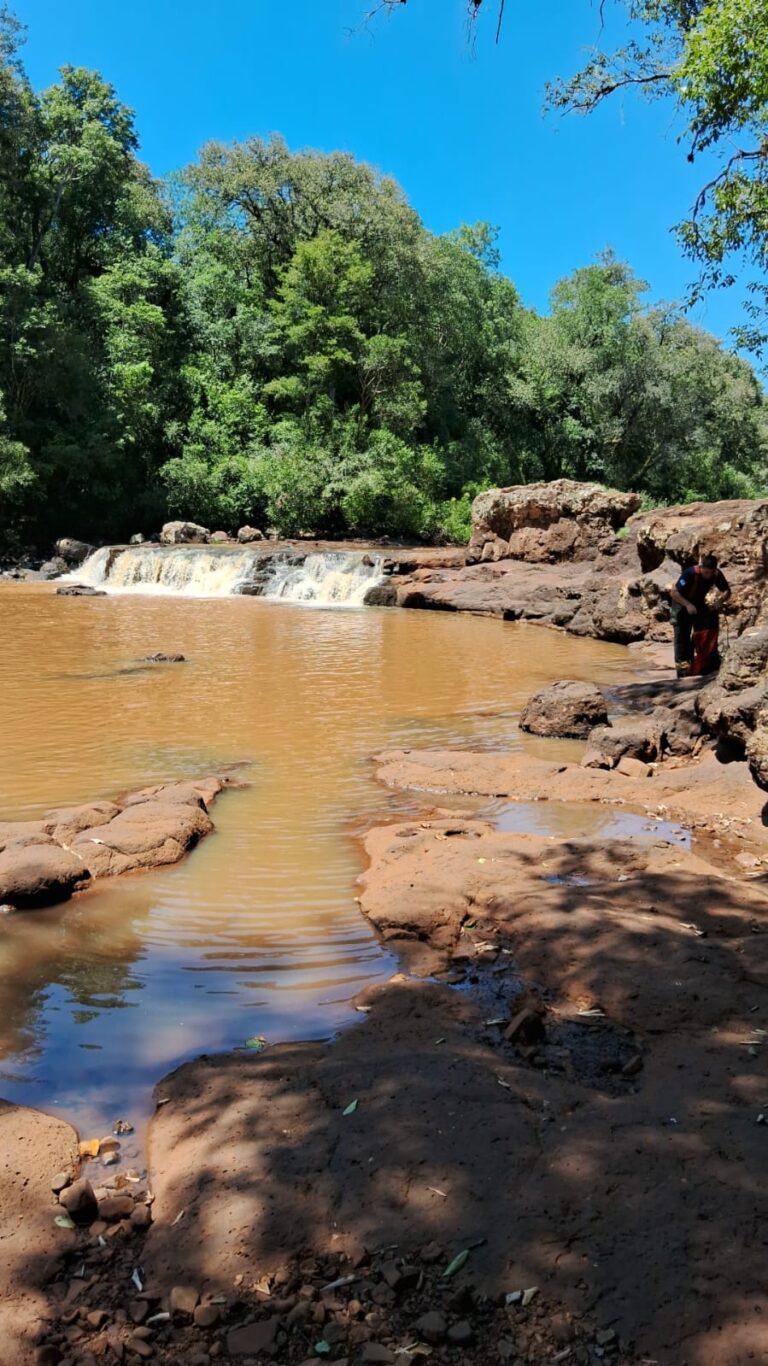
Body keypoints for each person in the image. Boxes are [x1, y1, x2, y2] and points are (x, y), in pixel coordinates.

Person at [669, 553, 731, 679]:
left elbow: (727, 591)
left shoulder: (716, 574)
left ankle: (702, 663)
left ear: (714, 570)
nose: (707, 575)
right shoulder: (690, 573)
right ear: (701, 567)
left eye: (710, 572)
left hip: (698, 603)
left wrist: (719, 601)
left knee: (703, 632)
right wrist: (687, 605)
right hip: (681, 603)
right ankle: (682, 671)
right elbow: (674, 592)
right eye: (705, 572)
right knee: (682, 636)